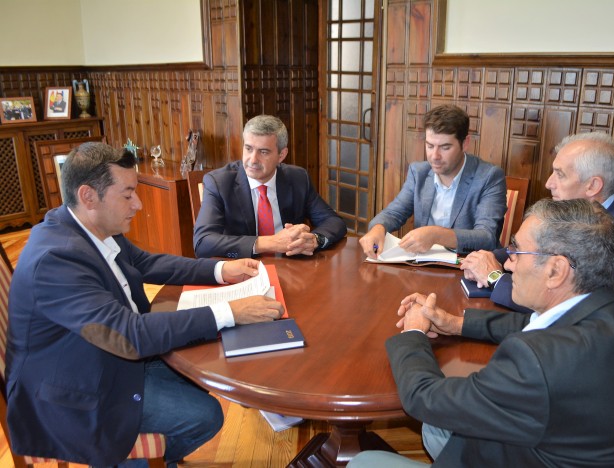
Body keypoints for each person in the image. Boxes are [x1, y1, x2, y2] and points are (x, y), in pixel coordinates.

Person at [5, 142, 285, 467]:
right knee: (205, 414)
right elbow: (127, 336)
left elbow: (147, 263)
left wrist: (221, 269)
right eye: (127, 194)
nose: (137, 204)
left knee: (212, 360)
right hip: (77, 389)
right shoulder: (56, 260)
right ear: (88, 196)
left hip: (105, 354)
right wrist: (231, 311)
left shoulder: (87, 225)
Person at [349, 199, 614, 467]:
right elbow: (531, 324)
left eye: (518, 251)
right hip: (583, 446)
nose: (509, 263)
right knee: (440, 428)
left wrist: (414, 333)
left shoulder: (535, 363)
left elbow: (424, 399)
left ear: (556, 270)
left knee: (364, 462)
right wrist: (455, 323)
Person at [461, 132, 614, 376]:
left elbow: (569, 310)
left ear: (593, 185)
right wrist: (484, 258)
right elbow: (530, 249)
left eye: (560, 174)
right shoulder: (579, 218)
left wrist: (493, 277)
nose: (548, 183)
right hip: (574, 345)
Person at [359, 104, 506, 258]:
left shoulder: (489, 177)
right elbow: (394, 213)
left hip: (467, 267)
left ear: (465, 143)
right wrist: (378, 228)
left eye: (445, 147)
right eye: (430, 146)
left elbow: (486, 237)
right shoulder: (419, 172)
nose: (434, 156)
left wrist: (436, 235)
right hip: (423, 264)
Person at [193, 115, 347, 259]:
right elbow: (203, 242)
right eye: (248, 148)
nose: (253, 160)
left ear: (281, 155)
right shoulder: (219, 183)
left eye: (264, 152)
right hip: (241, 271)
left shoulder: (297, 178)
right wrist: (270, 242)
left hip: (292, 269)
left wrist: (315, 239)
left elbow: (333, 221)